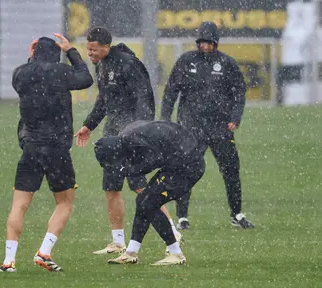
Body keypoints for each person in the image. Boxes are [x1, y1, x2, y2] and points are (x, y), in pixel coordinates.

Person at [74, 27, 182, 254]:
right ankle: (117, 241)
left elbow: (145, 99)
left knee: (141, 187)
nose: (90, 53)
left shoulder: (129, 64)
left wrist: (140, 131)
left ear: (105, 46)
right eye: (88, 49)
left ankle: (173, 231)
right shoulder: (101, 65)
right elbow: (104, 101)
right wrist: (88, 125)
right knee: (111, 187)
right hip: (112, 135)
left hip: (131, 136)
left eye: (93, 49)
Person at [0, 34, 93, 272]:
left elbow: (29, 73)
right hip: (57, 148)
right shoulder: (61, 72)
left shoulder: (20, 73)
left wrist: (31, 57)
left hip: (31, 148)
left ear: (34, 52)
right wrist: (71, 51)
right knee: (65, 202)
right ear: (56, 53)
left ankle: (8, 261)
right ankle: (44, 252)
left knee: (19, 205)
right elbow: (86, 78)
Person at [161, 21, 254, 230]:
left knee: (231, 170)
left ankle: (236, 214)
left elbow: (239, 93)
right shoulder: (186, 61)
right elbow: (170, 92)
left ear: (216, 43)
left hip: (220, 128)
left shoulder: (227, 64)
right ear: (197, 43)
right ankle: (182, 217)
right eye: (202, 43)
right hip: (191, 127)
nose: (205, 47)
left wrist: (235, 117)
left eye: (209, 43)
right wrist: (165, 120)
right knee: (186, 170)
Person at [94, 120, 205, 265]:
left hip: (187, 166)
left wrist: (128, 170)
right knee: (142, 201)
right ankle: (131, 253)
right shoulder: (127, 137)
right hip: (180, 160)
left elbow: (153, 160)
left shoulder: (137, 142)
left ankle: (176, 254)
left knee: (149, 203)